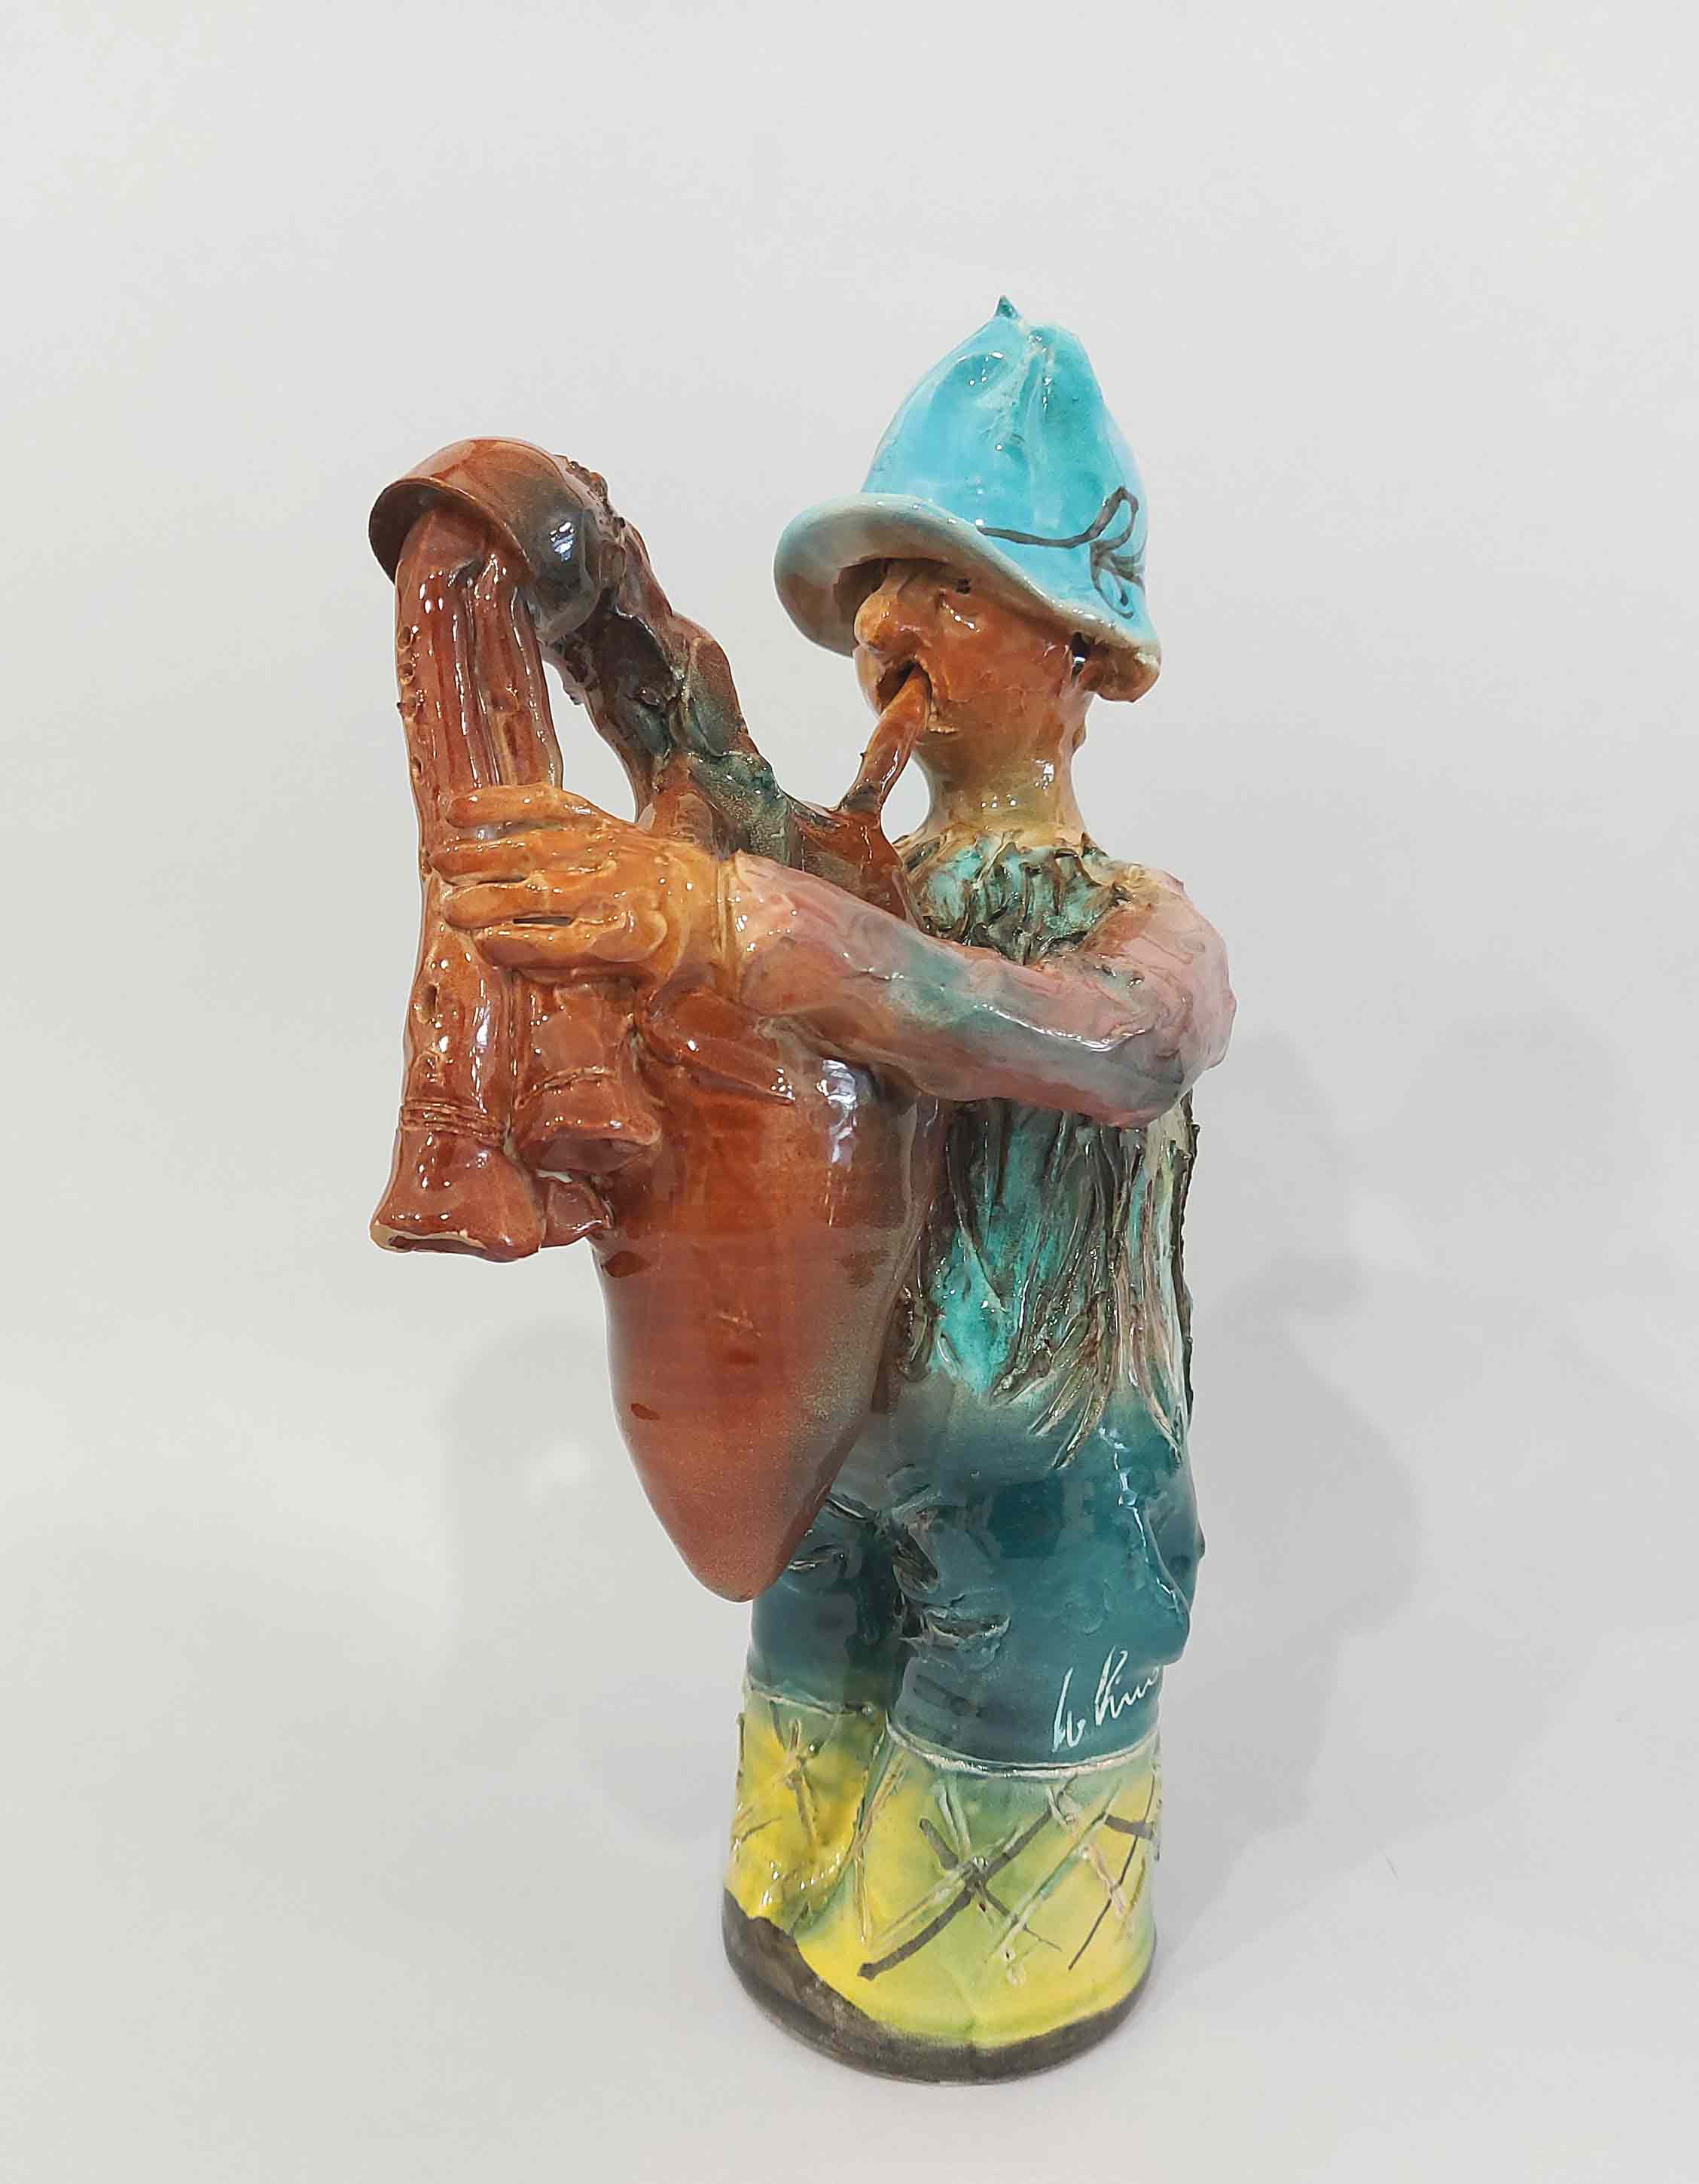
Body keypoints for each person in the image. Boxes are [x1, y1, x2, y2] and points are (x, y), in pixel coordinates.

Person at [435, 302, 1234, 2078]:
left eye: (951, 586)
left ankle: (996, 1973)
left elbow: (1104, 1041)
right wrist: (595, 600)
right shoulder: (854, 871)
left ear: (1086, 653)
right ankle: (812, 1916)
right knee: (799, 1831)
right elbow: (715, 785)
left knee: (968, 1895)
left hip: (1047, 1487)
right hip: (835, 1450)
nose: (889, 625)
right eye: (879, 585)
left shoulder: (1140, 928)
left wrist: (739, 923)